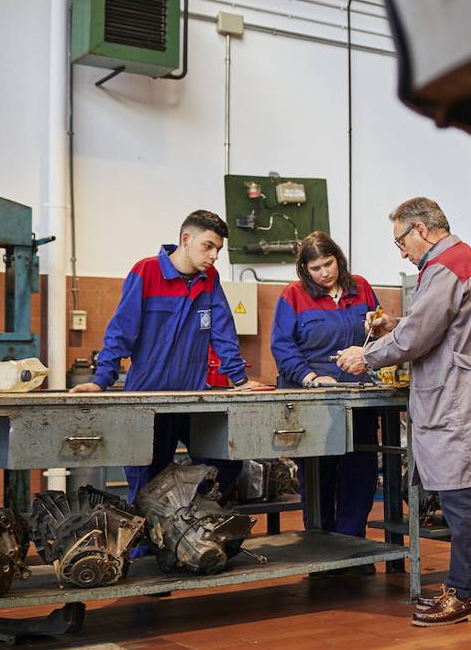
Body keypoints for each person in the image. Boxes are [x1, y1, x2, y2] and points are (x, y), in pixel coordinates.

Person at [337, 197, 471, 626]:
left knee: (461, 496)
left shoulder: (445, 266)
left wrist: (365, 357)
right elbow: (437, 327)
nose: (401, 250)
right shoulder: (463, 261)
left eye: (400, 240)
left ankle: (466, 593)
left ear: (420, 229)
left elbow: (419, 337)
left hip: (459, 399)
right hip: (468, 394)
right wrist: (394, 326)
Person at [71, 210, 269, 502]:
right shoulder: (146, 272)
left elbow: (223, 332)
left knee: (227, 462)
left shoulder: (209, 280)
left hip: (193, 401)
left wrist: (240, 381)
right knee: (146, 484)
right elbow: (121, 332)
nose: (214, 256)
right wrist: (101, 380)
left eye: (218, 250)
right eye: (208, 246)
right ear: (186, 239)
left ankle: (187, 517)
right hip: (147, 401)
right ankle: (146, 546)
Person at [271, 232, 381, 561]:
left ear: (339, 260)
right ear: (305, 270)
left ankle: (352, 549)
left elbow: (378, 333)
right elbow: (282, 346)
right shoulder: (293, 296)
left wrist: (379, 334)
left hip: (358, 396)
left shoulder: (360, 288)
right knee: (318, 474)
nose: (324, 273)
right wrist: (311, 377)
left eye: (328, 264)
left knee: (359, 472)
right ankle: (321, 551)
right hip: (312, 400)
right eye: (315, 267)